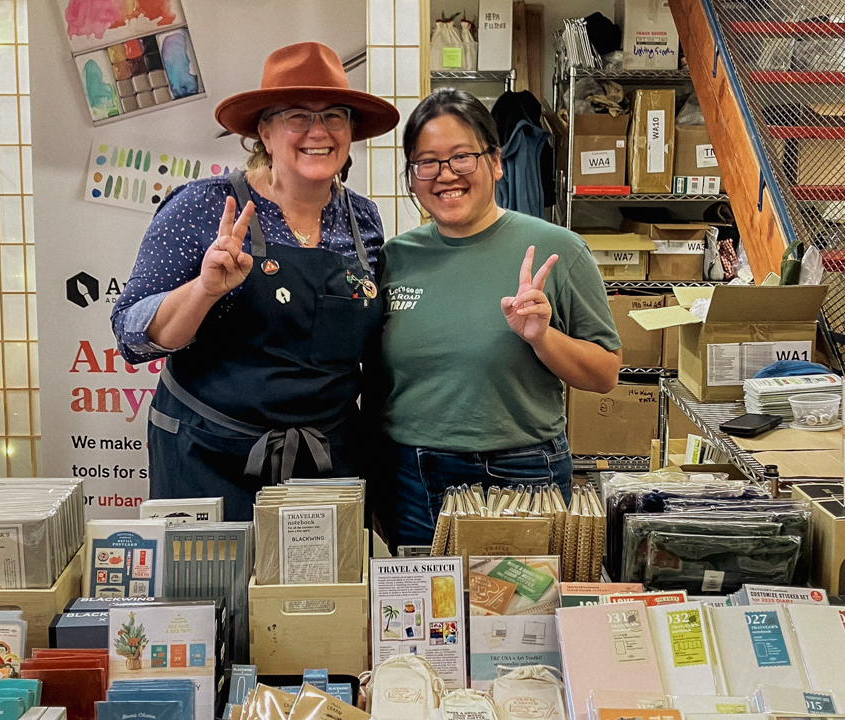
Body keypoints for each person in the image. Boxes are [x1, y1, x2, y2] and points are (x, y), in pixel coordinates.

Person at [111, 42, 398, 520]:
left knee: (317, 598)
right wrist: (204, 289)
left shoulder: (362, 219)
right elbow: (132, 334)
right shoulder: (203, 206)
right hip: (209, 457)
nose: (318, 132)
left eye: (334, 116)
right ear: (264, 131)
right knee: (214, 593)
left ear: (351, 131)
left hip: (327, 466)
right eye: (297, 117)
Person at [372, 88, 622, 550]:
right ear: (412, 177)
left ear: (496, 162)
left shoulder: (558, 249)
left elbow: (605, 373)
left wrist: (543, 338)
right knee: (426, 620)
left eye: (461, 157)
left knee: (520, 617)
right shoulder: (394, 258)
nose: (445, 175)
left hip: (522, 472)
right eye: (426, 162)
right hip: (410, 476)